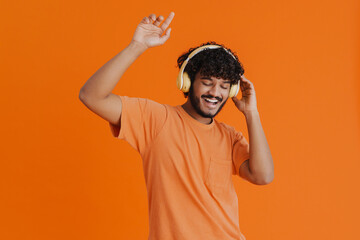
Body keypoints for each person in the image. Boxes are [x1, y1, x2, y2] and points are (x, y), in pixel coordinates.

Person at [79, 11, 274, 240]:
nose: (215, 92)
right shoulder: (155, 119)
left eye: (224, 86)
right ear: (188, 82)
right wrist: (136, 47)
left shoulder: (229, 137)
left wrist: (251, 113)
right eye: (207, 82)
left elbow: (263, 176)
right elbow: (91, 96)